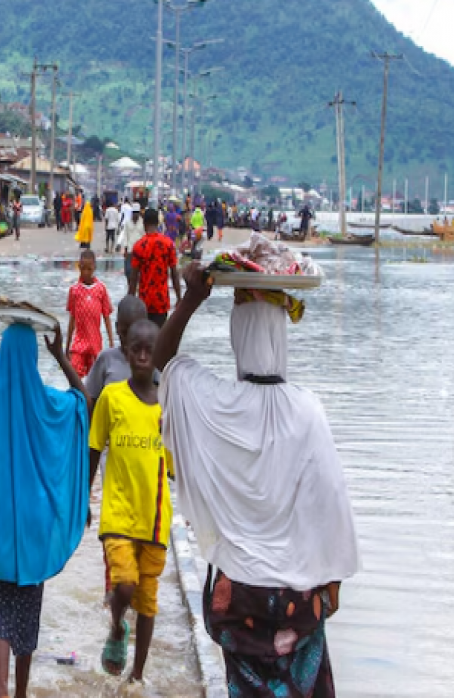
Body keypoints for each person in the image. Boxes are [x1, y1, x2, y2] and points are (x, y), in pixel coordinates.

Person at [152, 264, 360, 698]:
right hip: (298, 597)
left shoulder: (213, 402)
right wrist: (333, 582)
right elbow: (331, 500)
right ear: (280, 337)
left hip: (237, 594)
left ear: (236, 336)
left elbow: (163, 363)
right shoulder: (307, 410)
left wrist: (191, 299)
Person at [0, 321, 89, 698]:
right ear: (33, 356)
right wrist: (62, 357)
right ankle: (20, 691)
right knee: (28, 611)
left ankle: (1, 690)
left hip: (3, 525)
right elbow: (84, 401)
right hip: (36, 525)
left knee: (1, 609)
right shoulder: (48, 403)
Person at [88, 318, 173, 682]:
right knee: (124, 584)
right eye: (135, 348)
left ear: (158, 356)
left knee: (148, 601)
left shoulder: (167, 408)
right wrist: (82, 499)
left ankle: (136, 675)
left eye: (148, 350)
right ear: (125, 350)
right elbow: (95, 446)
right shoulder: (112, 397)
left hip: (154, 517)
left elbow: (177, 465)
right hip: (118, 513)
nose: (141, 355)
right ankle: (118, 624)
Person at [82, 295, 152, 602]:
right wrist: (83, 492)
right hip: (116, 466)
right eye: (122, 333)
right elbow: (88, 405)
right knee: (116, 552)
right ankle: (115, 614)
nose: (128, 341)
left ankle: (128, 611)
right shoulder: (107, 361)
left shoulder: (155, 364)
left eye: (134, 332)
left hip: (145, 476)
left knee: (142, 560)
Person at [128, 207, 183, 326]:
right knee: (159, 339)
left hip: (143, 302)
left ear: (144, 223)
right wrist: (179, 297)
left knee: (145, 340)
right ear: (158, 223)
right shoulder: (168, 244)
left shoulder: (138, 246)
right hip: (161, 301)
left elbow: (133, 279)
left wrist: (129, 302)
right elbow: (174, 273)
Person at [66, 250, 114, 378]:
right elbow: (72, 320)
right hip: (78, 344)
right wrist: (67, 346)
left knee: (94, 380)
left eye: (89, 269)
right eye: (83, 268)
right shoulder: (74, 290)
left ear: (94, 268)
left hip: (95, 344)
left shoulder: (101, 289)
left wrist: (111, 343)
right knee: (74, 376)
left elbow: (106, 317)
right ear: (79, 267)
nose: (86, 272)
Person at [119, 207, 145, 289]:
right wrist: (125, 249)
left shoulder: (143, 223)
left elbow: (144, 236)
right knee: (128, 270)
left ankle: (137, 287)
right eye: (134, 213)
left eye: (137, 213)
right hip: (130, 250)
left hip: (140, 251)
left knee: (139, 271)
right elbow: (125, 236)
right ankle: (130, 285)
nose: (135, 214)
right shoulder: (127, 223)